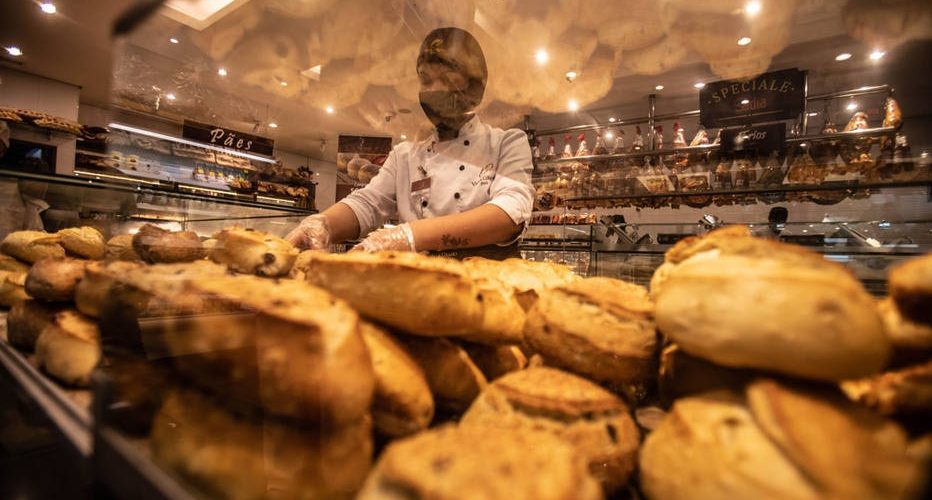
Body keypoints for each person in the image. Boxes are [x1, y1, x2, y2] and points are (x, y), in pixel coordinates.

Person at [286, 27, 534, 259]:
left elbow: (508, 214)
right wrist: (323, 224)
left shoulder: (507, 143)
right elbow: (368, 202)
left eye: (448, 80)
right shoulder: (405, 155)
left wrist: (409, 235)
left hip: (488, 283)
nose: (434, 89)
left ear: (475, 88)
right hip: (417, 281)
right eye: (426, 80)